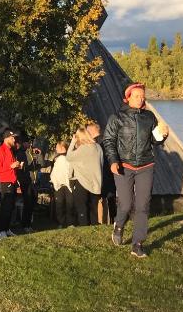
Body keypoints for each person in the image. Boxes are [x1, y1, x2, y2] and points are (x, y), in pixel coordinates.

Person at [102, 82, 168, 258]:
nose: (141, 99)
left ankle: (137, 243)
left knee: (142, 205)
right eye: (137, 96)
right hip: (124, 166)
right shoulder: (117, 118)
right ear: (128, 97)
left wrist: (162, 136)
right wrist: (113, 161)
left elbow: (154, 141)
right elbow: (108, 141)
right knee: (125, 203)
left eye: (143, 96)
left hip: (146, 165)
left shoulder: (149, 117)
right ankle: (119, 225)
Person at [67, 128, 103, 226]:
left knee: (82, 209)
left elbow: (69, 157)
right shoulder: (98, 147)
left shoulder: (82, 148)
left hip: (82, 182)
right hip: (96, 183)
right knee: (93, 210)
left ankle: (84, 229)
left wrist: (72, 142)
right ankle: (94, 230)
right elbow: (101, 164)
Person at [0, 130, 20, 238]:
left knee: (11, 207)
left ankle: (6, 228)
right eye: (12, 138)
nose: (14, 140)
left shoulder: (10, 150)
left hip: (12, 181)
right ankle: (1, 231)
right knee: (6, 207)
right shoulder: (1, 150)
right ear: (7, 138)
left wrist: (17, 167)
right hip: (5, 182)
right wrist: (11, 166)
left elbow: (11, 167)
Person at [50, 142, 74, 228]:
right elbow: (54, 171)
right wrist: (55, 180)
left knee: (70, 203)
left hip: (68, 184)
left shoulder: (70, 156)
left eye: (57, 147)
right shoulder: (56, 158)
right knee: (59, 204)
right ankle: (61, 222)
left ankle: (70, 223)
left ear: (62, 147)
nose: (56, 149)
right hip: (58, 185)